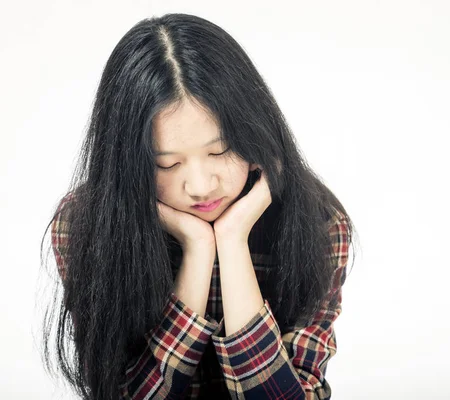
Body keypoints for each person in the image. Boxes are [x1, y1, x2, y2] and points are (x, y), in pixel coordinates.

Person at [41, 12, 356, 400]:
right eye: (167, 164)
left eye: (220, 150)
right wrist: (197, 252)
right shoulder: (83, 227)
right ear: (127, 163)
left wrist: (233, 240)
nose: (201, 186)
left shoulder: (318, 223)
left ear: (255, 130)